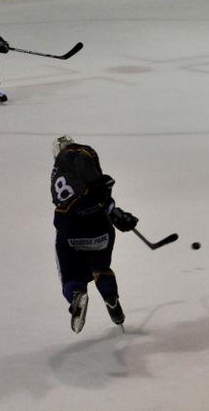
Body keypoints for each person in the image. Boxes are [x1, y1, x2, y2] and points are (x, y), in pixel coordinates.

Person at [51, 135, 139, 333]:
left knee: (70, 276)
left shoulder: (57, 174)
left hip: (71, 234)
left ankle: (76, 294)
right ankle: (111, 298)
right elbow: (98, 197)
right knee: (101, 268)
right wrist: (116, 212)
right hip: (100, 233)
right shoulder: (86, 163)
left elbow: (80, 200)